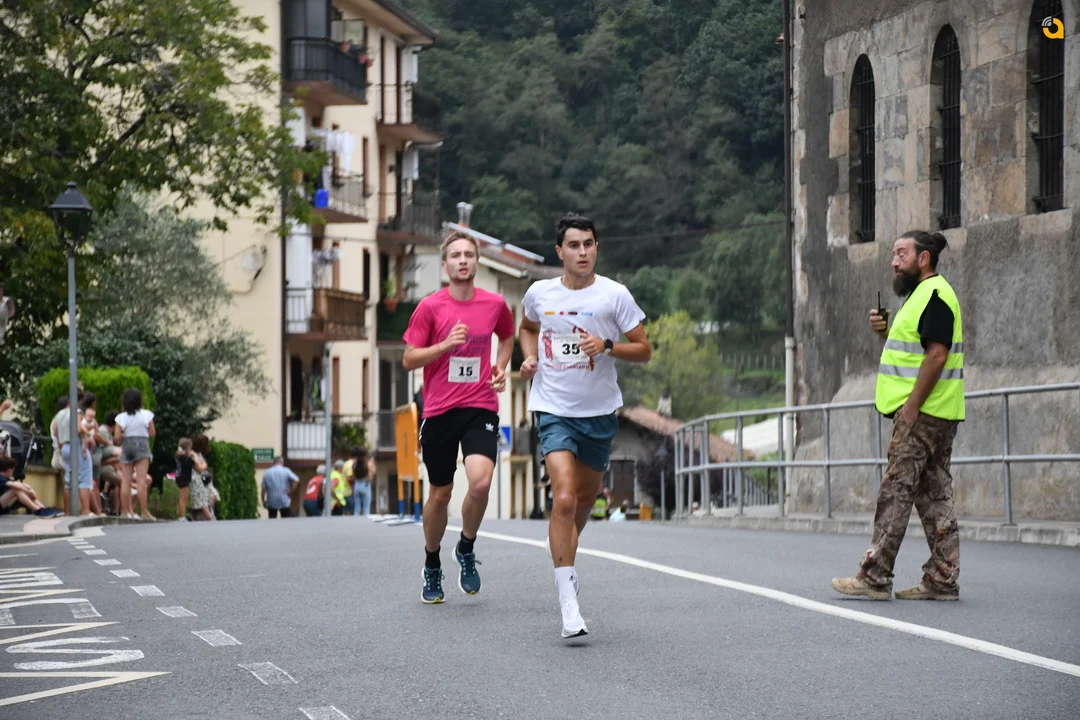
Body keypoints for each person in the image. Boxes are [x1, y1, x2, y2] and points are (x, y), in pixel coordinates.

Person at [519, 213, 651, 638]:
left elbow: (644, 349)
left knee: (581, 504)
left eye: (589, 244)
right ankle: (568, 604)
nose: (582, 252)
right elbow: (527, 327)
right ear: (559, 251)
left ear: (596, 247)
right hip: (553, 408)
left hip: (598, 413)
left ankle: (562, 548)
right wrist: (530, 357)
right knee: (562, 498)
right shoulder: (540, 293)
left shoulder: (614, 295)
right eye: (574, 245)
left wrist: (608, 345)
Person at [832, 230, 964, 602]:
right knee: (934, 494)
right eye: (893, 254)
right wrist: (886, 331)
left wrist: (911, 406)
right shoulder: (922, 296)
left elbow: (936, 355)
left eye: (901, 254)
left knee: (896, 490)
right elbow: (915, 349)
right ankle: (942, 578)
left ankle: (875, 575)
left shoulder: (934, 294)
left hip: (922, 413)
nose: (894, 261)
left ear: (924, 259)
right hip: (939, 411)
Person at [403, 230, 515, 604]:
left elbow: (508, 336)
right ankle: (432, 561)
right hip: (439, 411)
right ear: (445, 265)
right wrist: (445, 345)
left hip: (480, 405)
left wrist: (500, 367)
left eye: (469, 254)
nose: (463, 260)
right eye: (455, 255)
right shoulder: (430, 307)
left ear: (477, 262)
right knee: (440, 494)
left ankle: (465, 547)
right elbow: (408, 359)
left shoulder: (495, 304)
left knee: (480, 483)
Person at [114, 388, 156, 520]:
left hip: (127, 445)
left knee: (125, 480)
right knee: (141, 481)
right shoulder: (147, 415)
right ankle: (144, 511)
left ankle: (124, 512)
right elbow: (152, 433)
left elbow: (117, 437)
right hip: (142, 445)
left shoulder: (121, 417)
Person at [52, 391, 95, 517]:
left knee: (68, 481)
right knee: (84, 479)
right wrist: (87, 433)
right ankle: (86, 510)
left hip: (65, 447)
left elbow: (55, 430)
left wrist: (61, 443)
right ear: (80, 400)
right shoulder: (77, 412)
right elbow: (78, 428)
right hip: (76, 446)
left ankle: (67, 511)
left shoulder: (59, 414)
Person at [175, 438, 196, 521]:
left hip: (180, 477)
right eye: (190, 447)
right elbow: (192, 463)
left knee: (183, 498)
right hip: (184, 478)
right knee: (183, 499)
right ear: (186, 448)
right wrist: (193, 456)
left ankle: (182, 516)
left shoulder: (179, 455)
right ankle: (182, 517)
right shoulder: (184, 457)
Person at [350, 447, 374, 517]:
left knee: (357, 508)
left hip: (357, 485)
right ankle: (365, 522)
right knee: (366, 508)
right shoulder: (369, 464)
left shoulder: (354, 465)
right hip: (365, 485)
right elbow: (370, 478)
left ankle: (355, 521)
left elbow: (353, 477)